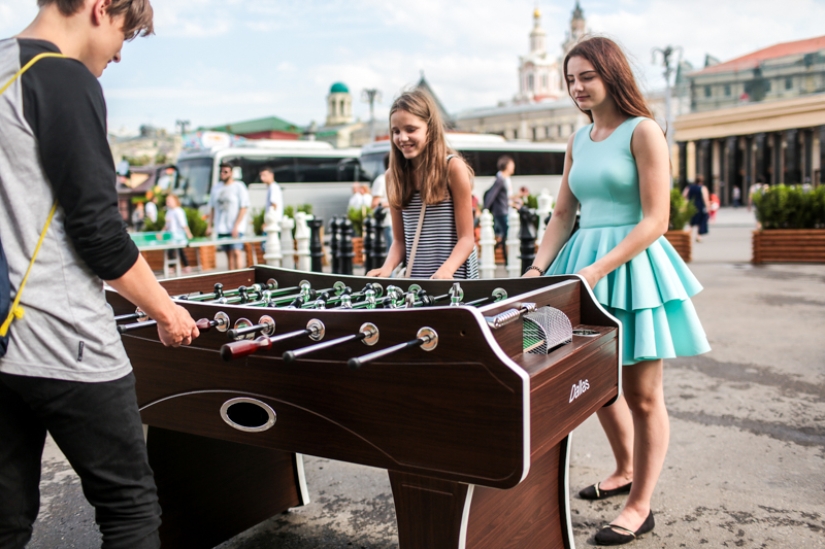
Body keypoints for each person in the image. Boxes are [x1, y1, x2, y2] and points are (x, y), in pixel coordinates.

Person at [0, 2, 200, 548]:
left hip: (1, 344)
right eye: (123, 33)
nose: (117, 53)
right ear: (99, 8)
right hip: (65, 339)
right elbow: (99, 235)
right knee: (129, 508)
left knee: (6, 519)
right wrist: (167, 310)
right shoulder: (61, 78)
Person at [523, 36, 710, 546]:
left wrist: (599, 269)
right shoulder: (578, 140)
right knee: (598, 385)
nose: (577, 87)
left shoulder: (643, 131)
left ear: (610, 73)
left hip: (630, 267)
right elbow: (563, 214)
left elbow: (657, 219)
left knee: (643, 395)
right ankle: (625, 467)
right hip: (580, 266)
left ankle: (640, 504)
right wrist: (538, 267)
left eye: (586, 75)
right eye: (570, 79)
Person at [367, 89, 478, 279]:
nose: (402, 138)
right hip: (417, 282)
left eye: (411, 129)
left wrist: (447, 269)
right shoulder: (392, 177)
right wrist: (386, 269)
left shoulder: (453, 168)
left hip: (453, 280)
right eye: (396, 131)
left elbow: (467, 239)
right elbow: (399, 241)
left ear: (430, 129)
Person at [208, 161, 249, 270]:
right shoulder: (216, 188)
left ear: (231, 173)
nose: (223, 174)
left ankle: (241, 276)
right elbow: (212, 208)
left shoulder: (239, 186)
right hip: (221, 227)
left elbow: (244, 207)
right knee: (228, 255)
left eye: (225, 172)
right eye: (221, 172)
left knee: (237, 252)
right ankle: (232, 279)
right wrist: (209, 226)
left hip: (235, 227)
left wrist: (236, 226)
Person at [483, 155, 514, 261]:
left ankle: (503, 256)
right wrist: (485, 209)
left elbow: (504, 197)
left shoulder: (504, 179)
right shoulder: (500, 179)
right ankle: (506, 259)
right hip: (501, 212)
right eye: (512, 164)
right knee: (507, 234)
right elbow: (492, 194)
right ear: (507, 166)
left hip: (503, 211)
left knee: (503, 235)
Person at [163, 193, 192, 272]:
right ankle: (173, 266)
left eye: (169, 201)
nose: (167, 203)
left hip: (179, 236)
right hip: (171, 236)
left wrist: (188, 233)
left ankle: (185, 265)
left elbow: (183, 224)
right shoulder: (169, 212)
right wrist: (161, 233)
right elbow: (166, 225)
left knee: (179, 251)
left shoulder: (179, 211)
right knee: (171, 251)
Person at [371, 153, 393, 245]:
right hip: (387, 222)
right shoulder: (381, 180)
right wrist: (394, 203)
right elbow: (374, 204)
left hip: (394, 222)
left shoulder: (396, 180)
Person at [683, 175, 710, 242]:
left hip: (691, 205)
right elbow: (705, 198)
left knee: (691, 222)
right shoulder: (703, 188)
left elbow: (684, 195)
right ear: (702, 181)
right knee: (700, 222)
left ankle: (688, 236)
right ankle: (698, 236)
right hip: (700, 206)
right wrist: (708, 207)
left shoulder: (689, 187)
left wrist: (686, 203)